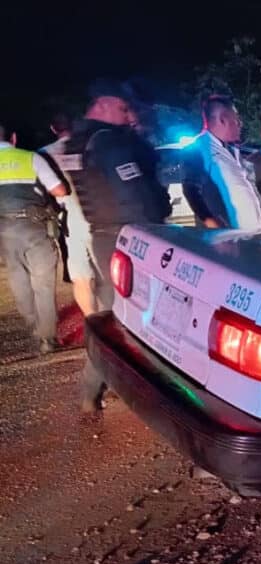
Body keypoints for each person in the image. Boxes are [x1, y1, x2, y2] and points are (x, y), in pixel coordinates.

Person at [64, 79, 170, 411]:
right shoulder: (110, 143)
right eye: (124, 109)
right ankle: (99, 391)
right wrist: (156, 224)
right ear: (103, 104)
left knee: (118, 315)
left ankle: (94, 391)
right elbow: (135, 196)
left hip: (105, 235)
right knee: (128, 318)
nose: (128, 116)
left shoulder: (78, 142)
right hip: (129, 237)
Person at [0, 121, 67, 354]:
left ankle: (33, 326)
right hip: (35, 226)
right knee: (43, 282)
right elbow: (60, 191)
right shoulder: (30, 158)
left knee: (18, 278)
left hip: (4, 230)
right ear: (14, 137)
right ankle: (47, 338)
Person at [40, 113, 97, 316]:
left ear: (53, 129)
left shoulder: (44, 154)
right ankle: (113, 316)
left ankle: (92, 318)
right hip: (99, 214)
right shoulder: (91, 146)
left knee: (80, 275)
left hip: (71, 219)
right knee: (106, 268)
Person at [183, 95, 261, 230]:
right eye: (237, 119)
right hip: (229, 238)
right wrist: (212, 224)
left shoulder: (234, 151)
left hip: (255, 233)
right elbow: (190, 190)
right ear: (222, 120)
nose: (240, 124)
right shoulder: (198, 149)